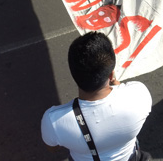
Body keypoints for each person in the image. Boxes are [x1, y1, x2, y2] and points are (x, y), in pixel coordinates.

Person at [41, 32, 152, 160]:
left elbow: (52, 147)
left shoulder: (53, 120)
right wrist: (117, 85)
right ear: (111, 75)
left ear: (73, 74)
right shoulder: (138, 95)